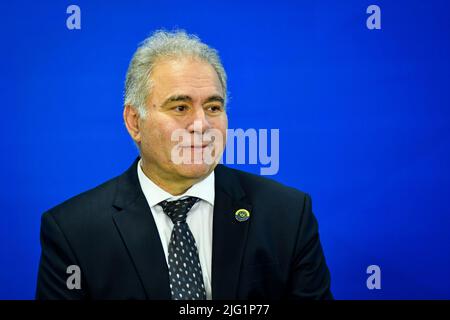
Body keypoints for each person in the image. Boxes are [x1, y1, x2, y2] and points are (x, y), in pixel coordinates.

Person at [36, 30, 332, 300]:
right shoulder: (74, 232)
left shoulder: (287, 215)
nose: (201, 125)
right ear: (134, 122)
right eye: (180, 107)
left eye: (213, 107)